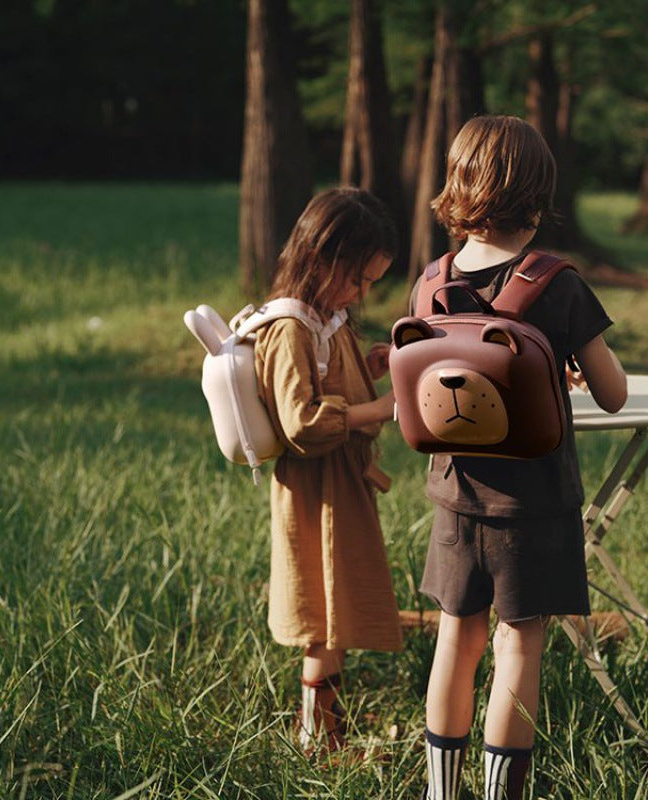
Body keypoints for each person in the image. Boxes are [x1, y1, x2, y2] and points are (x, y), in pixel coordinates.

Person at [412, 116, 627, 799]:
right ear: (538, 196)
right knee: (518, 644)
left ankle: (443, 791)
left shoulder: (431, 281)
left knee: (456, 638)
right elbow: (614, 393)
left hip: (453, 495)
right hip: (532, 506)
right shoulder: (556, 283)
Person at [253, 187, 403, 756]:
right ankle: (318, 736)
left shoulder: (327, 320)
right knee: (321, 611)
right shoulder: (291, 327)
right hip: (317, 494)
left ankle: (325, 731)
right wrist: (378, 407)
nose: (361, 293)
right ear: (322, 258)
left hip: (338, 488)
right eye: (358, 279)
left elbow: (328, 388)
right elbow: (302, 424)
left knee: (334, 611)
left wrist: (365, 368)